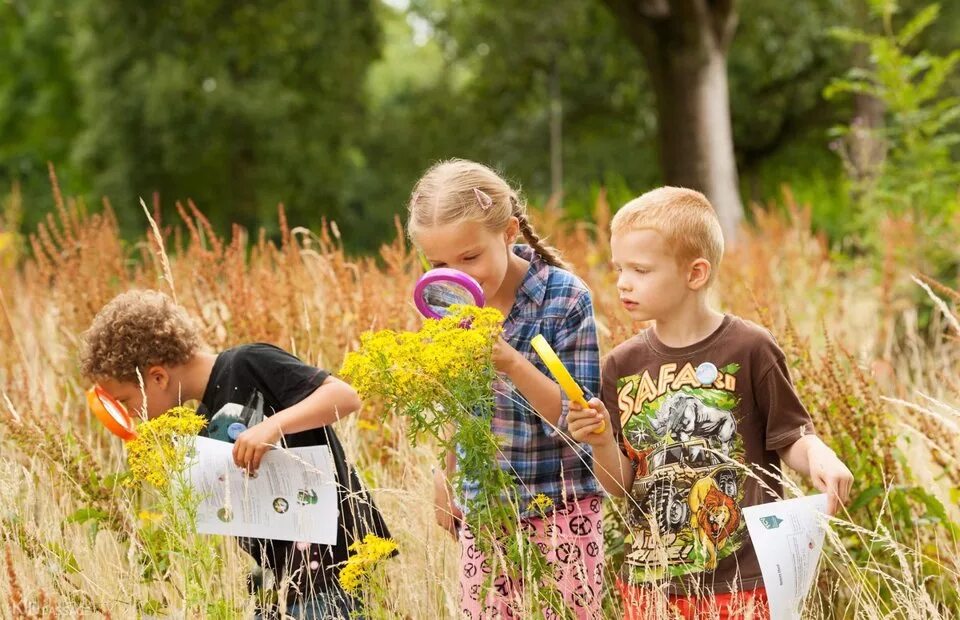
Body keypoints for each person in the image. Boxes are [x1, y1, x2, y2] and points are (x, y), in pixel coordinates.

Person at [567, 187, 854, 619]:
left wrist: (820, 454)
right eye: (619, 268)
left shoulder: (750, 348)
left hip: (745, 577)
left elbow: (790, 436)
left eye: (641, 270)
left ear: (695, 273)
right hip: (653, 584)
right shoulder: (620, 366)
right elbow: (620, 483)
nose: (623, 282)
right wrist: (603, 440)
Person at [80, 289, 392, 619]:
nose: (132, 416)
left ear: (158, 377)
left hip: (334, 572)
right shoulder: (200, 420)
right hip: (282, 583)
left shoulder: (248, 362)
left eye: (126, 401)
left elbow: (344, 397)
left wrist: (273, 427)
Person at [408, 159, 606, 618]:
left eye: (470, 257)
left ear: (509, 232)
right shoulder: (443, 304)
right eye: (438, 263)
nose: (458, 275)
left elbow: (578, 422)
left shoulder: (565, 299)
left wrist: (512, 363)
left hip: (561, 506)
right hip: (486, 512)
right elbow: (457, 404)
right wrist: (447, 476)